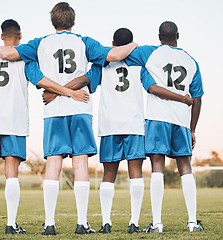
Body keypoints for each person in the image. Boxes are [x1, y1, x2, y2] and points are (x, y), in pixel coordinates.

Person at [0, 2, 138, 235]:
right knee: (80, 164)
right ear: (73, 21)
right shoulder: (83, 41)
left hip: (54, 111)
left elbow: (8, 53)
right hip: (80, 108)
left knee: (53, 164)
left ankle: (49, 224)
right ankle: (82, 223)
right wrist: (134, 44)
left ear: (53, 22)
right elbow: (114, 54)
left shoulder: (40, 43)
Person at [44, 28, 193, 234]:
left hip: (109, 125)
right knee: (136, 174)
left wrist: (54, 91)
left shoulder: (102, 64)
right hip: (134, 125)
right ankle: (134, 223)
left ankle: (106, 223)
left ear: (112, 43)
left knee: (109, 175)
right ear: (131, 43)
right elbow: (152, 87)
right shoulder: (140, 65)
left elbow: (85, 80)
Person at [0, 19, 89, 235]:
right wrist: (66, 92)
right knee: (11, 173)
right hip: (14, 122)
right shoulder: (24, 60)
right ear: (20, 36)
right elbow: (42, 80)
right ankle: (11, 224)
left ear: (1, 35)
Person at [124, 21, 204, 233]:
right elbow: (197, 99)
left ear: (159, 36)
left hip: (157, 118)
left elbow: (150, 86)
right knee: (185, 168)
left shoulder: (150, 53)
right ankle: (192, 222)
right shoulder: (191, 60)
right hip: (181, 121)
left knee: (157, 167)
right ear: (178, 35)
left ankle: (157, 223)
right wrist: (192, 129)